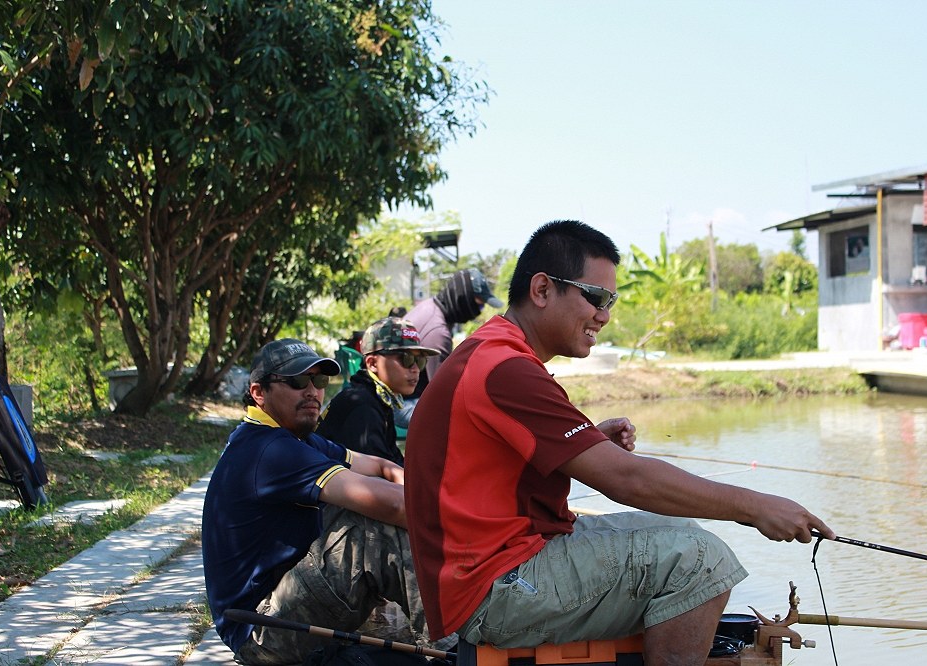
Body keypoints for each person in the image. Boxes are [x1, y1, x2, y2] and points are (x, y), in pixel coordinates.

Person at [404, 220, 835, 665]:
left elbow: (505, 461)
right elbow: (628, 480)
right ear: (541, 290)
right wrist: (756, 506)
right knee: (704, 562)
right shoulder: (505, 368)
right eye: (595, 297)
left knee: (684, 534)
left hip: (498, 563)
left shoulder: (496, 354)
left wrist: (589, 443)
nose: (604, 315)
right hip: (494, 586)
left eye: (609, 301)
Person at [202, 338, 434, 665]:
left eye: (319, 381)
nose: (312, 391)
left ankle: (458, 632)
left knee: (381, 513)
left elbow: (383, 468)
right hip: (262, 631)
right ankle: (460, 646)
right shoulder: (269, 450)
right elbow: (393, 505)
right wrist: (469, 520)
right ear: (258, 393)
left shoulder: (295, 438)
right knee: (370, 532)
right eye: (298, 381)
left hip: (279, 610)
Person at [318, 317, 438, 465]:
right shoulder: (363, 407)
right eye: (406, 359)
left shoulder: (378, 398)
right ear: (373, 363)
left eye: (420, 361)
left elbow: (392, 460)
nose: (415, 369)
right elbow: (380, 476)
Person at [395, 268, 503, 428]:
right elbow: (444, 394)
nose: (476, 314)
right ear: (463, 299)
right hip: (401, 405)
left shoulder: (431, 306)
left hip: (404, 395)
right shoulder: (438, 332)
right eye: (478, 307)